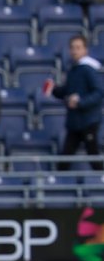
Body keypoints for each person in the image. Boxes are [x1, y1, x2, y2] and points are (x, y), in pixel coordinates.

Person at [46, 35, 104, 171]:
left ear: (85, 50)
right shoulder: (74, 69)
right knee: (66, 158)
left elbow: (98, 92)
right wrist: (54, 89)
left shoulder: (88, 69)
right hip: (74, 123)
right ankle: (59, 182)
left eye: (78, 48)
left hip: (88, 121)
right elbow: (67, 90)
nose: (74, 51)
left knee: (93, 155)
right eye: (72, 48)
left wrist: (80, 102)